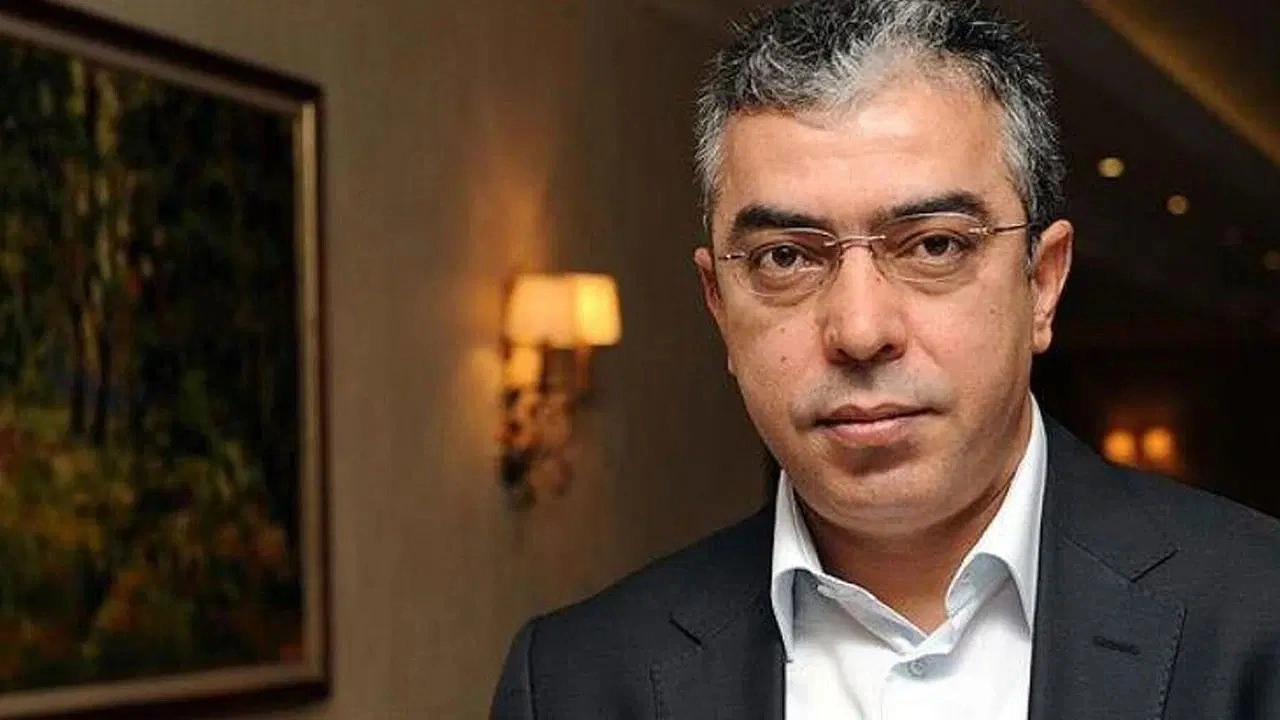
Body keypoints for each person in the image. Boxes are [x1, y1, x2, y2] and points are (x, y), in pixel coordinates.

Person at [491, 0, 1280, 717]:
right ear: (720, 306)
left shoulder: (1259, 614)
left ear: (1041, 283)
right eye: (785, 257)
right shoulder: (576, 681)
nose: (860, 330)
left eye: (934, 245)